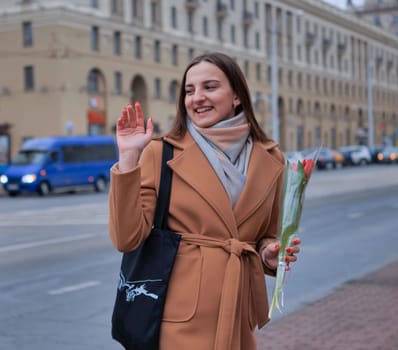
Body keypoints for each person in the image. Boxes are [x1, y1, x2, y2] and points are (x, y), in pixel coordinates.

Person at [109, 52, 301, 349]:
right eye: (189, 90)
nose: (197, 98)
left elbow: (266, 235)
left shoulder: (271, 158)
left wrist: (268, 254)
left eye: (209, 87)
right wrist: (128, 158)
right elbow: (127, 238)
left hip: (237, 315)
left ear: (237, 95)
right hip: (179, 319)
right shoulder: (162, 153)